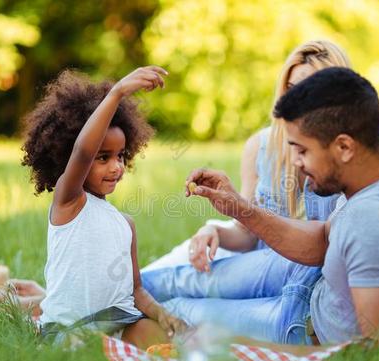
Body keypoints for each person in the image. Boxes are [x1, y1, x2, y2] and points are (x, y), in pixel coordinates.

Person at [181, 67, 379, 347]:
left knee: (181, 314)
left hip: (299, 326)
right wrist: (239, 207)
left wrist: (259, 349)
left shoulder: (370, 223)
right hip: (312, 283)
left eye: (302, 151)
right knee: (177, 285)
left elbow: (378, 356)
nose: (296, 162)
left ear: (344, 147)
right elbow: (325, 239)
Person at [142, 40, 351, 272]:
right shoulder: (261, 146)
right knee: (151, 277)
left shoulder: (348, 154)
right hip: (255, 265)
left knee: (178, 290)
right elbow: (247, 234)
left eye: (307, 91)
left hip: (292, 276)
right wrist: (215, 231)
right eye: (290, 89)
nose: (295, 102)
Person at [20, 66, 187, 348]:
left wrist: (163, 315)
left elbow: (135, 291)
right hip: (68, 331)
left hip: (118, 323)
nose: (116, 167)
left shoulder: (126, 224)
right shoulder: (69, 202)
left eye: (120, 156)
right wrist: (117, 92)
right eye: (103, 157)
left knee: (176, 345)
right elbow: (83, 150)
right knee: (87, 351)